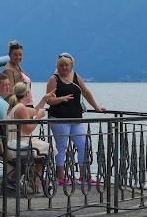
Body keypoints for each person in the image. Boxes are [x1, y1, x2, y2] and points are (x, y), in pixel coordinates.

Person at [45, 53, 106, 184]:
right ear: (58, 66)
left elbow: (86, 92)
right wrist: (61, 99)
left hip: (76, 118)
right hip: (59, 118)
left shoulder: (76, 76)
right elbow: (48, 100)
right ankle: (60, 177)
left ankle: (84, 176)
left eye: (66, 65)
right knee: (61, 147)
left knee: (84, 144)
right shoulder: (54, 79)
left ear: (71, 65)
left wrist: (96, 107)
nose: (64, 68)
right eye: (61, 65)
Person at [3, 82, 58, 192]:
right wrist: (38, 118)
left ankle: (33, 180)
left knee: (43, 150)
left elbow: (34, 110)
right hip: (17, 145)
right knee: (47, 149)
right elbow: (28, 129)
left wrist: (44, 99)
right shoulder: (21, 108)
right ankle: (34, 181)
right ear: (27, 93)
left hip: (12, 143)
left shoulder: (17, 107)